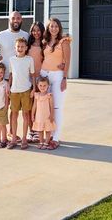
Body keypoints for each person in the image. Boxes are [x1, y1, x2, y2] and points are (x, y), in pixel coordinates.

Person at [40, 17, 71, 150]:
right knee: (46, 108)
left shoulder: (64, 42)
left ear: (59, 28)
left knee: (57, 108)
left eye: (56, 26)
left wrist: (64, 78)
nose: (54, 28)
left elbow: (68, 61)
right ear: (48, 28)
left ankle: (56, 138)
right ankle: (49, 136)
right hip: (44, 75)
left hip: (57, 76)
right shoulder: (45, 42)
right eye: (51, 26)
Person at [7, 37, 35, 150]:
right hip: (14, 91)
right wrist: (8, 85)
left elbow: (33, 75)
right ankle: (14, 138)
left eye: (22, 46)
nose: (20, 48)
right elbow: (10, 75)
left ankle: (24, 138)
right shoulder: (12, 60)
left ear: (26, 48)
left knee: (25, 115)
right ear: (15, 47)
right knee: (14, 115)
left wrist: (33, 89)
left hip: (26, 90)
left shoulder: (29, 59)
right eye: (18, 46)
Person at [0, 11, 30, 81]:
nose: (16, 20)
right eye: (13, 18)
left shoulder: (26, 35)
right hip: (4, 77)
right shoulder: (0, 35)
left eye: (18, 18)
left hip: (22, 77)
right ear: (9, 20)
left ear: (21, 20)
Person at [25, 21, 45, 143]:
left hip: (41, 80)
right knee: (29, 106)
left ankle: (38, 131)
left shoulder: (45, 45)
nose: (36, 32)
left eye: (38, 30)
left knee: (39, 107)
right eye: (33, 30)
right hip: (28, 79)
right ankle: (31, 131)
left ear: (42, 31)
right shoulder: (28, 45)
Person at [31, 77, 56, 149]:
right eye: (40, 85)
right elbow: (34, 106)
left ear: (48, 86)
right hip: (38, 117)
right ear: (37, 86)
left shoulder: (49, 96)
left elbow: (52, 106)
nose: (42, 87)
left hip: (47, 116)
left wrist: (52, 115)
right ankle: (41, 142)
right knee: (40, 130)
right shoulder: (36, 95)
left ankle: (46, 142)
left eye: (44, 85)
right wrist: (32, 115)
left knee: (48, 130)